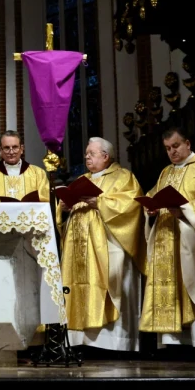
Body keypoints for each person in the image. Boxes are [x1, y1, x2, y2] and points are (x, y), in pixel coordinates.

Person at [138, 127, 195, 350]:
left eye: (175, 146)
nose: (172, 152)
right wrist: (151, 211)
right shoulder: (165, 172)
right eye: (167, 149)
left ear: (188, 143)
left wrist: (185, 209)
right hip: (165, 239)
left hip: (191, 242)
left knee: (194, 288)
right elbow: (153, 196)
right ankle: (172, 343)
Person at [59, 138, 144, 351]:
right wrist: (64, 208)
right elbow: (68, 210)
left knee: (109, 285)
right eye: (86, 153)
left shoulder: (124, 177)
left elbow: (131, 206)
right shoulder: (80, 180)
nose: (86, 156)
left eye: (91, 153)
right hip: (79, 246)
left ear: (106, 156)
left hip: (108, 245)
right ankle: (80, 341)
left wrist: (101, 203)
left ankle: (113, 344)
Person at [0, 131, 50, 202]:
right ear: (0, 150)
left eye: (15, 147)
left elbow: (47, 201)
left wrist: (59, 203)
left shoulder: (38, 173)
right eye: (7, 148)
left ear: (22, 149)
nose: (11, 152)